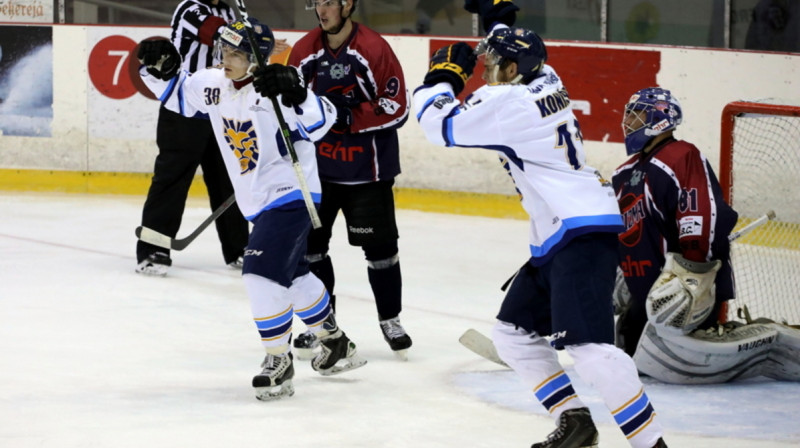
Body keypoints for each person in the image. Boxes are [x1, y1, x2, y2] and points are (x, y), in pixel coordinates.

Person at [413, 1, 668, 447]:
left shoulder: (507, 103)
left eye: (494, 64)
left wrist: (444, 77)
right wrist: (496, 24)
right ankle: (576, 422)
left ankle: (651, 443)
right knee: (512, 335)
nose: (486, 70)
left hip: (579, 231)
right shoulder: (546, 77)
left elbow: (439, 126)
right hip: (560, 232)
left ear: (512, 69)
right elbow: (517, 54)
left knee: (591, 351)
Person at [136, 17, 367, 400]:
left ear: (256, 59)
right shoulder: (213, 85)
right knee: (293, 277)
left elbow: (324, 119)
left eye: (236, 53)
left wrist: (297, 92)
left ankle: (279, 360)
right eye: (223, 50)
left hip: (293, 193)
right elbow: (174, 92)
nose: (226, 58)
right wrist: (156, 66)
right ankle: (336, 342)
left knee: (258, 272)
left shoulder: (276, 86)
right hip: (256, 200)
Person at [612, 87, 800, 384]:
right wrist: (617, 265)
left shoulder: (681, 155)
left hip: (681, 292)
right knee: (630, 358)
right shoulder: (624, 172)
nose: (628, 122)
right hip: (643, 291)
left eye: (637, 115)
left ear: (660, 118)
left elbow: (701, 212)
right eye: (628, 115)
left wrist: (696, 268)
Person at [287, 0, 412, 359]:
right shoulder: (305, 50)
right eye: (318, 2)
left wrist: (346, 117)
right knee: (311, 252)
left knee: (382, 252)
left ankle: (391, 319)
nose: (321, 10)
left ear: (348, 4)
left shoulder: (373, 48)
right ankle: (324, 325)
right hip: (318, 175)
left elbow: (396, 106)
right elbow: (290, 105)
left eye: (329, 2)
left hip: (367, 173)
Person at [135, 0, 249, 277]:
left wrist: (253, 39)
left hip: (222, 109)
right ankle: (154, 248)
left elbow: (241, 47)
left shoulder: (232, 9)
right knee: (172, 177)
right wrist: (256, 38)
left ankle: (240, 248)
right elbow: (221, 33)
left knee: (230, 180)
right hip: (183, 109)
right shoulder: (190, 7)